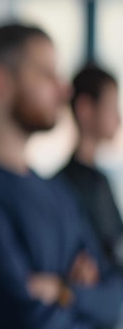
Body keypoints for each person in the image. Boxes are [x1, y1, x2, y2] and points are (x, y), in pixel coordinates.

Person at [0, 23, 123, 329]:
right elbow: (27, 322)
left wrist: (63, 291)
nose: (64, 90)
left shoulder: (59, 192)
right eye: (47, 74)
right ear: (0, 84)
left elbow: (114, 298)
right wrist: (81, 296)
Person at [56, 65, 123, 272]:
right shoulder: (62, 186)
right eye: (111, 106)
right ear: (85, 109)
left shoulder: (100, 180)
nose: (118, 119)